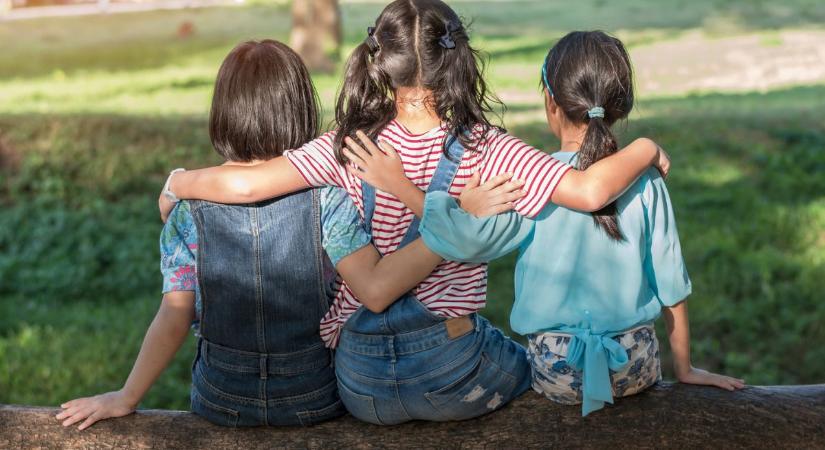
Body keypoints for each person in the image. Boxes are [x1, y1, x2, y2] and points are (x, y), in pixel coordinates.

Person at [156, 1, 670, 424]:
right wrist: (645, 147)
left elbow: (245, 184)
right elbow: (588, 193)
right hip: (451, 372)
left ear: (380, 61)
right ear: (458, 59)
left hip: (360, 381)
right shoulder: (491, 148)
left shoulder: (345, 145)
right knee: (520, 359)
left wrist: (178, 182)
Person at [54, 39, 445, 430]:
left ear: (223, 113)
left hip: (222, 395)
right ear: (299, 109)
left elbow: (175, 315)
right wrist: (452, 234)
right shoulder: (328, 198)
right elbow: (372, 290)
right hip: (312, 393)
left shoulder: (187, 210)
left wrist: (126, 396)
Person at [352, 30, 745, 416]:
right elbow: (671, 282)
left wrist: (407, 189)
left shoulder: (534, 179)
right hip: (635, 364)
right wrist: (686, 368)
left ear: (550, 102)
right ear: (620, 105)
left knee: (503, 352)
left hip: (559, 368)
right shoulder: (647, 180)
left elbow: (464, 241)